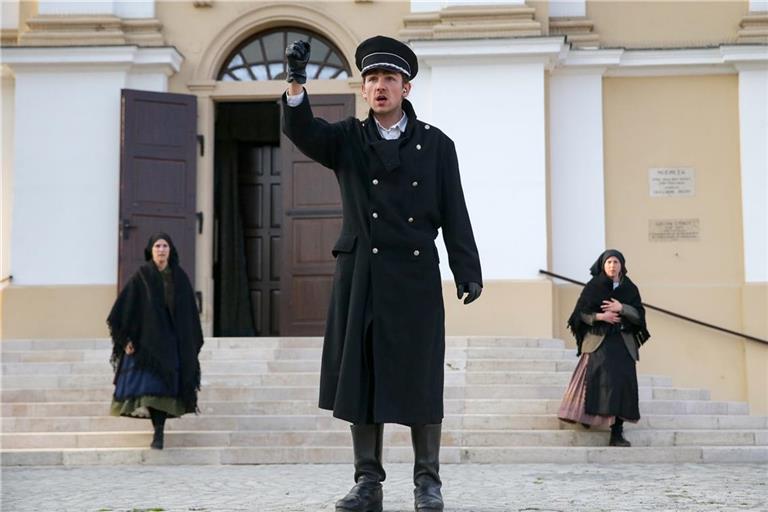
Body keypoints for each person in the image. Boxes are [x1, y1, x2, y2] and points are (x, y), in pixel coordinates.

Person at [282, 36, 482, 512]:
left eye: (388, 79)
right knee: (361, 377)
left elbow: (455, 210)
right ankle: (367, 482)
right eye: (371, 79)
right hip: (362, 276)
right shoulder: (347, 139)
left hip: (414, 278)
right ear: (364, 89)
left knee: (420, 377)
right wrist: (295, 81)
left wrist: (466, 268)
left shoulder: (436, 145)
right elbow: (303, 130)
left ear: (405, 87)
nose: (379, 87)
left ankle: (427, 483)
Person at [108, 233, 203, 450]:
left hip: (173, 343)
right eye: (157, 246)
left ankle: (159, 431)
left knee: (164, 390)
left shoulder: (180, 277)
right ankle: (158, 432)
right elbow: (122, 310)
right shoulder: (141, 276)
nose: (161, 250)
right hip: (147, 344)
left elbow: (190, 314)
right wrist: (125, 340)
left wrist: (188, 343)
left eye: (165, 246)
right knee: (152, 389)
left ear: (171, 250)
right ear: (151, 250)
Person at [558, 249, 651, 447]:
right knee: (596, 382)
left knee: (623, 387)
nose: (612, 266)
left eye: (616, 262)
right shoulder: (594, 286)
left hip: (623, 343)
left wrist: (621, 308)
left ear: (622, 265)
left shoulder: (629, 288)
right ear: (602, 265)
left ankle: (617, 432)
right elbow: (579, 314)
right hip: (598, 342)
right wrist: (600, 317)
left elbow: (640, 316)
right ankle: (586, 417)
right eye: (608, 262)